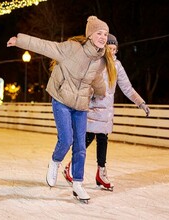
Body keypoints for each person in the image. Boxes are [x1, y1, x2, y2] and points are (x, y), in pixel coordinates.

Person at [7, 16, 116, 202]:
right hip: (61, 99)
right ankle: (55, 161)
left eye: (105, 34)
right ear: (90, 35)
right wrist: (21, 41)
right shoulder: (72, 48)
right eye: (99, 33)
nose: (103, 37)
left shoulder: (100, 61)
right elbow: (46, 46)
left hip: (81, 105)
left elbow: (96, 79)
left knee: (80, 146)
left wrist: (102, 91)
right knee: (66, 140)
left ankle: (78, 185)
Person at [62, 34, 151, 191]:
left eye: (114, 49)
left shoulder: (117, 66)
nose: (112, 52)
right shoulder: (95, 63)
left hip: (106, 112)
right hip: (92, 108)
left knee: (102, 139)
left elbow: (127, 88)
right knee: (87, 139)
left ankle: (101, 173)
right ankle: (71, 167)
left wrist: (140, 102)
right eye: (109, 48)